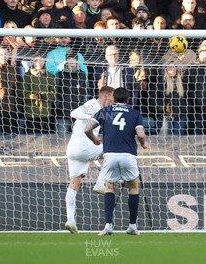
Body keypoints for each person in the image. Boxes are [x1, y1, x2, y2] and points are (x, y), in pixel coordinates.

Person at [85, 87, 149, 236]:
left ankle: (108, 225)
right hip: (128, 155)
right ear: (128, 100)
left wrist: (94, 139)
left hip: (110, 155)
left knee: (110, 188)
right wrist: (144, 143)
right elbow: (140, 133)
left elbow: (87, 128)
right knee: (133, 187)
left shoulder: (105, 111)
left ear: (113, 99)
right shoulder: (134, 113)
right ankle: (132, 226)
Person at [64, 86, 115, 234]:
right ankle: (100, 183)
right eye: (111, 99)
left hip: (73, 149)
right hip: (83, 146)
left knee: (75, 183)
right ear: (105, 97)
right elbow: (74, 113)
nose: (112, 102)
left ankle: (70, 220)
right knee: (113, 151)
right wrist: (92, 117)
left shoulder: (102, 109)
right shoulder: (93, 105)